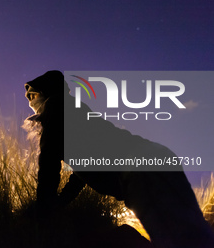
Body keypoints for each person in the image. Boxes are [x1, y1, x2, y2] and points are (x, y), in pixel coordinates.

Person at [24, 70, 214, 248]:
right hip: (152, 162)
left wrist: (43, 211)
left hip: (141, 170)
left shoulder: (55, 105)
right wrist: (60, 202)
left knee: (184, 241)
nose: (30, 101)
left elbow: (49, 162)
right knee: (191, 236)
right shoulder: (74, 111)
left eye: (32, 95)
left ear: (45, 92)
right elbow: (83, 169)